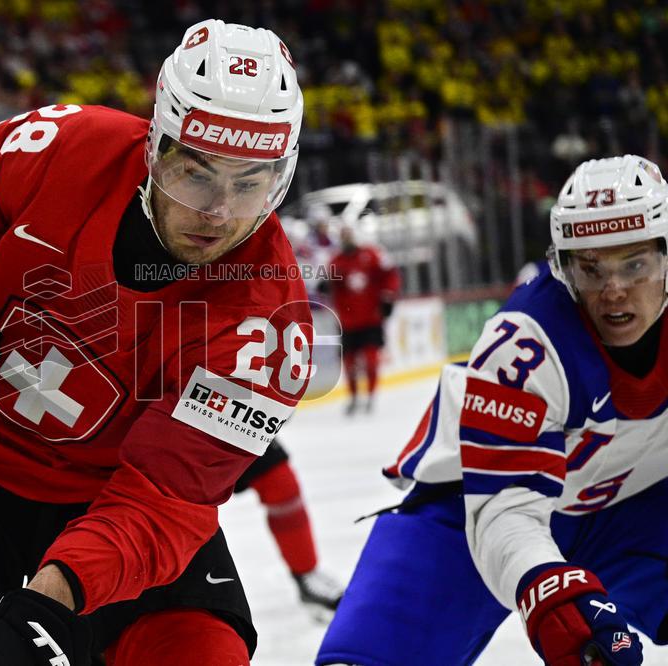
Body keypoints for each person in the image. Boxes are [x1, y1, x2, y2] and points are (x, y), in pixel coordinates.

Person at [0, 19, 313, 666]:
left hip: (116, 510)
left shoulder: (269, 328)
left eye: (249, 184)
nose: (219, 212)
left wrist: (44, 610)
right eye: (197, 174)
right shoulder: (53, 146)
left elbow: (165, 501)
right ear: (157, 145)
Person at [316, 154, 666, 665]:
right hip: (470, 504)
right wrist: (548, 591)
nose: (612, 289)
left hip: (629, 506)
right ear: (564, 267)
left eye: (634, 264)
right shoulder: (528, 340)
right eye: (590, 268)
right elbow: (504, 507)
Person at [234, 438, 344, 614]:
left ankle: (306, 573)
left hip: (227, 418)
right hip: (179, 429)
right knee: (189, 502)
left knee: (279, 482)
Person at [327, 224, 400, 415]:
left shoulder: (372, 255)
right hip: (348, 321)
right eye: (344, 236)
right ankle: (353, 396)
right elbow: (330, 288)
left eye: (349, 235)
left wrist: (388, 295)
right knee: (349, 363)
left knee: (371, 360)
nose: (347, 239)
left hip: (371, 319)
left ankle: (370, 395)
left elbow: (390, 275)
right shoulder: (335, 261)